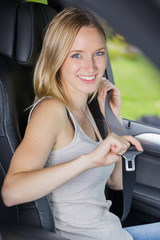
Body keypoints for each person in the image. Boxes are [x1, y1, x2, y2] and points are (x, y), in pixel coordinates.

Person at [1, 6, 160, 240]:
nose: (91, 67)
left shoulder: (84, 109)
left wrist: (112, 121)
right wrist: (88, 160)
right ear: (57, 58)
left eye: (98, 53)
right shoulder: (52, 111)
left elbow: (116, 183)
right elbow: (11, 192)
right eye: (76, 55)